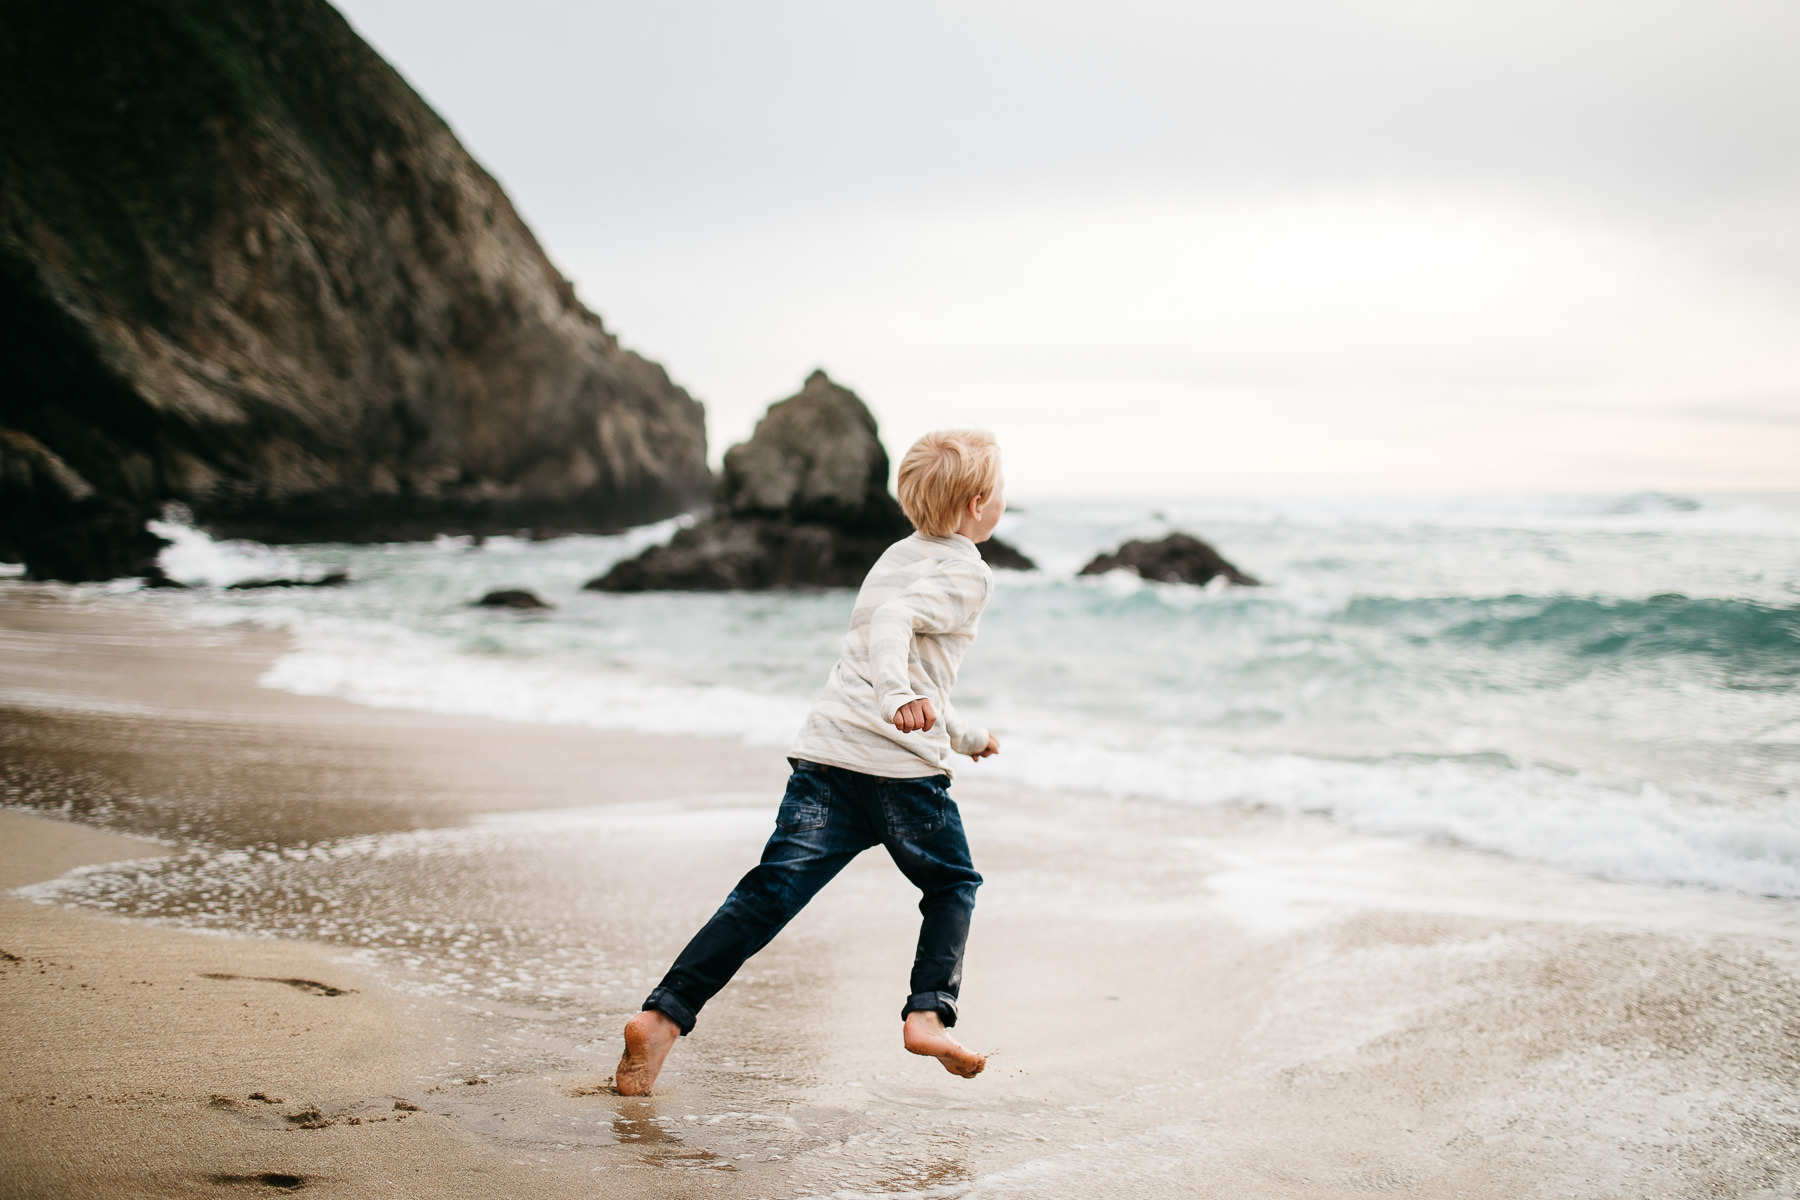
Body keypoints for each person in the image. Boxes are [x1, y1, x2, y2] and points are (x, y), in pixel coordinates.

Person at [614, 429, 1007, 1095]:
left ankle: (662, 1017)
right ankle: (927, 1012)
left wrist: (963, 735)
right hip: (899, 773)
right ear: (976, 505)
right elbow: (896, 636)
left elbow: (906, 666)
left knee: (768, 893)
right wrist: (898, 696)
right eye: (1000, 494)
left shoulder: (892, 556)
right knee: (951, 885)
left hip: (828, 756)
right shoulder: (967, 570)